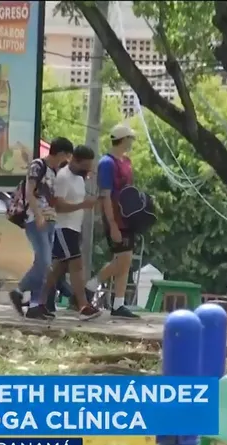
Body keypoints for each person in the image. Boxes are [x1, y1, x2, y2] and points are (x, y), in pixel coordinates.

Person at [8, 137, 74, 320]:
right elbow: (30, 192)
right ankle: (18, 291)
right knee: (44, 261)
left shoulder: (56, 171)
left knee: (43, 265)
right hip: (35, 219)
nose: (67, 160)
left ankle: (35, 305)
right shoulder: (38, 165)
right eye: (67, 156)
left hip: (51, 220)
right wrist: (37, 215)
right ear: (61, 153)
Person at [36, 145, 102, 321]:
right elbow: (59, 205)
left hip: (74, 228)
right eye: (85, 165)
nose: (87, 169)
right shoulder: (63, 177)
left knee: (57, 269)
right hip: (63, 227)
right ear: (75, 160)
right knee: (76, 265)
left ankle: (38, 301)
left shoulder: (79, 178)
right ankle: (83, 306)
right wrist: (83, 205)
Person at [85, 124, 141, 319]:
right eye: (130, 138)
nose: (132, 142)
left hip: (128, 216)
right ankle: (92, 285)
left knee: (125, 260)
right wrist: (112, 223)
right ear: (123, 139)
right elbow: (105, 195)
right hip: (115, 216)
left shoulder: (127, 161)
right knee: (123, 258)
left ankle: (118, 303)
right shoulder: (107, 163)